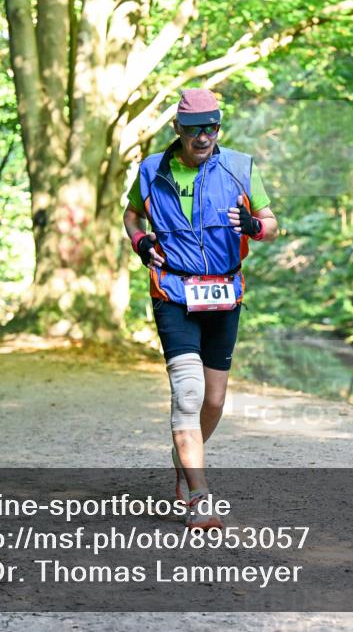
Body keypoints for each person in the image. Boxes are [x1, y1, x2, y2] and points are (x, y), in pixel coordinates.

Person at [122, 89, 278, 530]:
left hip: (224, 294)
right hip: (173, 292)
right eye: (194, 129)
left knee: (213, 400)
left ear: (218, 128)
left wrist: (254, 226)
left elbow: (271, 224)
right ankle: (199, 496)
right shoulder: (152, 170)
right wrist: (140, 242)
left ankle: (182, 457)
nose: (203, 137)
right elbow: (132, 216)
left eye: (211, 128)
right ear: (178, 129)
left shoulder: (240, 167)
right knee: (188, 394)